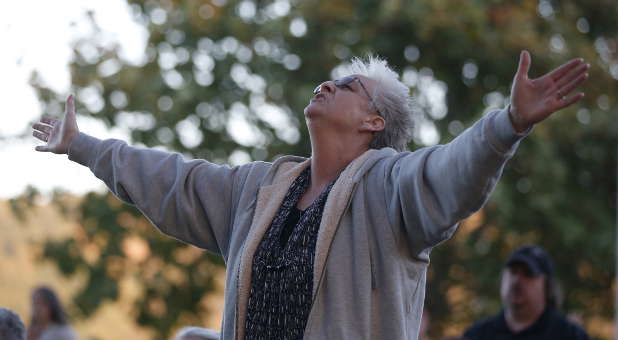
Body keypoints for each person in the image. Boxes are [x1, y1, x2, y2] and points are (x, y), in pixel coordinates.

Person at [32, 51, 588, 340]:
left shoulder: (392, 188)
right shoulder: (261, 187)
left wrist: (509, 122)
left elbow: (450, 172)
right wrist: (83, 146)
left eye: (349, 86)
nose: (329, 83)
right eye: (331, 78)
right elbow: (176, 180)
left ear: (374, 121)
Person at [463, 245, 589, 339]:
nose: (517, 280)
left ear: (547, 286)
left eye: (528, 274)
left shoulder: (570, 335)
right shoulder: (477, 334)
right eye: (513, 272)